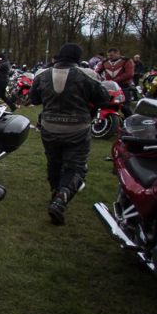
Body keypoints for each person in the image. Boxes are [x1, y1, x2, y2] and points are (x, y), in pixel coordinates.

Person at [29, 43, 109, 225]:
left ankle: (55, 192)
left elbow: (34, 98)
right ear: (77, 58)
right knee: (76, 167)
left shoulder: (42, 75)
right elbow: (103, 97)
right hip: (77, 128)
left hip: (49, 126)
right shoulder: (86, 74)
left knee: (54, 161)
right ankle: (60, 199)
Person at [94, 47, 134, 116]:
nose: (110, 57)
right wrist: (95, 77)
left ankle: (131, 122)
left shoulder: (127, 61)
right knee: (106, 105)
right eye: (108, 55)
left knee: (125, 107)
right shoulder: (105, 62)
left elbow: (129, 74)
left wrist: (115, 81)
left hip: (124, 87)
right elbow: (97, 72)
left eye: (111, 55)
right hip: (109, 87)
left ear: (118, 53)